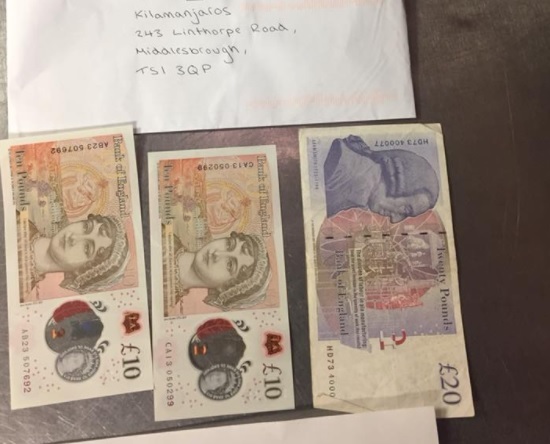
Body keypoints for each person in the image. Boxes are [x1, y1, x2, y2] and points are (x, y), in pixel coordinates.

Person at [323, 135, 439, 223]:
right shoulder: (339, 166)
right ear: (399, 181)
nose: (394, 220)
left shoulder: (353, 187)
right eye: (406, 210)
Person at [19, 211, 130, 297]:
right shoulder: (19, 222)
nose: (74, 238)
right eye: (86, 227)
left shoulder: (20, 291)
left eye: (87, 248)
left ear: (81, 272)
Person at [174, 231, 272, 311]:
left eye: (229, 265)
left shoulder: (169, 304)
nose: (218, 254)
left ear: (225, 289)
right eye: (229, 244)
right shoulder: (168, 238)